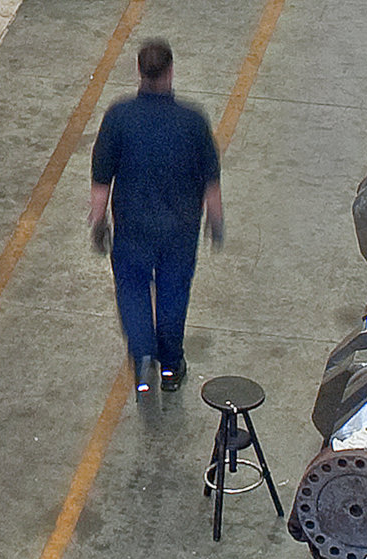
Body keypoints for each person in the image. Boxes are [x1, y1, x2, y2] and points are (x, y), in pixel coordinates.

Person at [89, 40, 225, 395]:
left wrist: (98, 221)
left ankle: (143, 357)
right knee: (172, 293)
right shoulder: (192, 121)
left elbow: (102, 175)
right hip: (179, 229)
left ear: (139, 71)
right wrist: (216, 220)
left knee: (132, 290)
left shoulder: (119, 117)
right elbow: (211, 176)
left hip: (133, 228)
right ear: (170, 71)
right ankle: (170, 366)